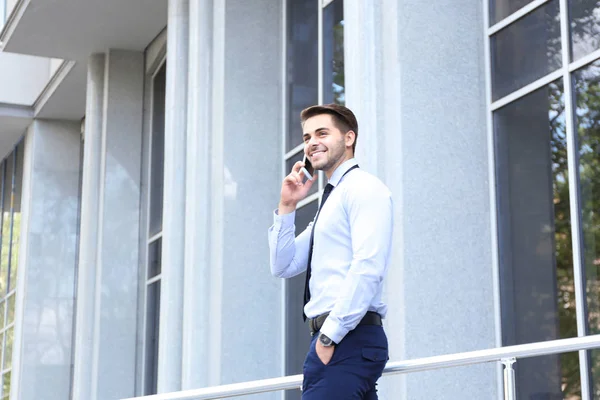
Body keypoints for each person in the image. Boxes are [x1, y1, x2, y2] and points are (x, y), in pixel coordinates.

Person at [268, 104, 394, 399]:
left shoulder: (363, 189)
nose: (312, 143)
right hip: (338, 341)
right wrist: (287, 207)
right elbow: (283, 265)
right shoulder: (331, 202)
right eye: (307, 137)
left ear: (348, 139)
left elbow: (368, 266)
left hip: (345, 339)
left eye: (322, 133)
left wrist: (329, 336)